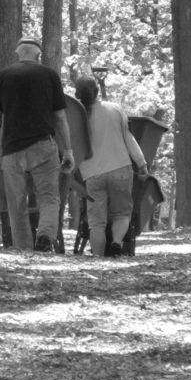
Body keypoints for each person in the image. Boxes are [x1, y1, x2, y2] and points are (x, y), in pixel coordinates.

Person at [0, 38, 75, 253]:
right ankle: (45, 235)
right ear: (38, 55)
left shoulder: (2, 77)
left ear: (18, 54)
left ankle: (24, 252)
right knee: (50, 197)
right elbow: (60, 118)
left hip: (12, 150)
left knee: (16, 204)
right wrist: (68, 151)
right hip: (43, 146)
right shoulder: (50, 76)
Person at [74, 75, 148, 258]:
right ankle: (116, 243)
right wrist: (141, 163)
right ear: (97, 92)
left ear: (77, 94)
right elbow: (128, 138)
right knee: (122, 213)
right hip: (120, 169)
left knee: (96, 222)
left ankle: (98, 259)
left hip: (92, 174)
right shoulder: (114, 109)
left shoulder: (77, 115)